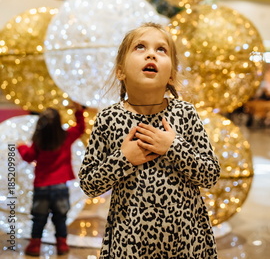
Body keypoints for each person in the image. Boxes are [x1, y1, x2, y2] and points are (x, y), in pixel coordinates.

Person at [79, 22, 221, 259]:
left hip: (187, 242)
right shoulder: (109, 118)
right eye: (140, 47)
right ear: (120, 70)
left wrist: (173, 146)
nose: (151, 53)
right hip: (129, 243)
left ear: (172, 75)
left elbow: (210, 175)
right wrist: (123, 159)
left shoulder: (185, 113)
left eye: (161, 49)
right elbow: (89, 184)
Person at [17, 103, 85, 256]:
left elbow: (28, 157)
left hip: (41, 187)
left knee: (38, 219)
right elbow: (80, 128)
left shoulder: (39, 142)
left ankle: (34, 246)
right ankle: (62, 245)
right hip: (60, 187)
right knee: (60, 218)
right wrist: (78, 112)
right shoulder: (66, 137)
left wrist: (21, 147)